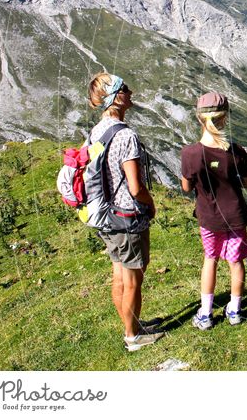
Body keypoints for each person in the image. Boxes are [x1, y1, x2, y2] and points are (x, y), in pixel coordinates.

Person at [87, 72, 164, 351]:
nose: (131, 92)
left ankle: (132, 326)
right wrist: (150, 203)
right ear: (117, 97)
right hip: (127, 218)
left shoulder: (97, 131)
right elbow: (135, 186)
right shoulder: (126, 135)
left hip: (106, 217)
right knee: (132, 279)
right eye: (126, 89)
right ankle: (133, 337)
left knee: (119, 275)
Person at [180, 91, 247, 328]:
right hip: (235, 216)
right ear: (224, 119)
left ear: (199, 119)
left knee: (210, 259)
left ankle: (206, 313)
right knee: (236, 262)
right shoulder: (236, 151)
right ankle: (234, 310)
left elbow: (185, 187)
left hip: (208, 217)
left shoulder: (190, 154)